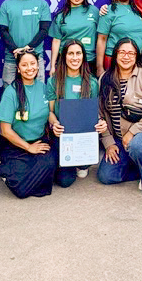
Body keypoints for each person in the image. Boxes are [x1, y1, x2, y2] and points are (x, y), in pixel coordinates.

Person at [97, 38, 142, 193]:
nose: (126, 56)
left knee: (138, 145)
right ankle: (141, 165)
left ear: (137, 56)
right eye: (122, 52)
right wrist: (109, 143)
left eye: (131, 53)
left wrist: (133, 132)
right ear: (115, 54)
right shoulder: (104, 79)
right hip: (120, 139)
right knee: (106, 176)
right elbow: (100, 115)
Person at [0, 50, 57, 198]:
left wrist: (55, 123)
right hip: (16, 145)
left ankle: (27, 176)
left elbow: (49, 113)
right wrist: (29, 147)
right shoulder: (11, 92)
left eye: (32, 64)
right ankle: (6, 168)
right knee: (21, 191)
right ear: (18, 68)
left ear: (38, 66)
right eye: (24, 65)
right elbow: (5, 130)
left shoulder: (43, 87)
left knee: (50, 163)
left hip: (39, 141)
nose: (29, 68)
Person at [47, 39, 102, 186]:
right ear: (64, 56)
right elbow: (50, 112)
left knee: (80, 170)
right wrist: (54, 124)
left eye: (78, 53)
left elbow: (94, 111)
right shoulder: (54, 81)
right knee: (64, 181)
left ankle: (83, 164)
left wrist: (100, 123)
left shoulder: (91, 82)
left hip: (83, 135)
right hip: (62, 135)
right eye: (70, 53)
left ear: (83, 56)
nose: (74, 57)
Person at [0, 0, 51, 84]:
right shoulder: (6, 4)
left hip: (35, 58)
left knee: (37, 93)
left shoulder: (42, 4)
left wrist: (27, 48)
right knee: (9, 93)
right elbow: (3, 31)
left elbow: (44, 30)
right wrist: (15, 50)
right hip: (12, 58)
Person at [96, 0, 142, 77]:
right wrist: (99, 67)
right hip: (114, 60)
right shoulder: (108, 11)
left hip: (135, 60)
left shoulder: (138, 9)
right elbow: (101, 40)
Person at [48, 0, 99, 75]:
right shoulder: (61, 15)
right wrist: (52, 66)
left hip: (89, 60)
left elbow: (102, 37)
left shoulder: (94, 11)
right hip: (65, 60)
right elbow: (56, 41)